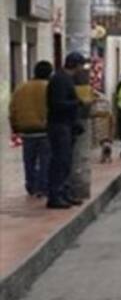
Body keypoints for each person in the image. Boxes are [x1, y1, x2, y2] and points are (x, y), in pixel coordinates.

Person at [45, 52, 87, 209]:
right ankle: (55, 196)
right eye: (81, 66)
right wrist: (77, 103)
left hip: (66, 125)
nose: (82, 69)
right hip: (59, 125)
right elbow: (58, 103)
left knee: (66, 161)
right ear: (76, 65)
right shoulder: (60, 80)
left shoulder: (65, 79)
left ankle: (64, 193)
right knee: (59, 161)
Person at [8, 61, 53, 198]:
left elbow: (13, 109)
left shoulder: (21, 88)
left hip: (27, 131)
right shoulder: (49, 88)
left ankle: (31, 186)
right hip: (45, 130)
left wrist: (15, 127)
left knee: (29, 160)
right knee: (45, 160)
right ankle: (42, 186)